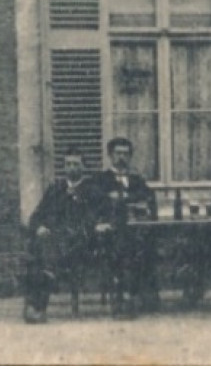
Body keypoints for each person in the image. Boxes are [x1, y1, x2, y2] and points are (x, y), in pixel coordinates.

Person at [21, 149, 105, 323]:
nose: (71, 168)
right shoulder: (55, 189)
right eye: (68, 164)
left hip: (81, 243)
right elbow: (36, 216)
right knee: (43, 252)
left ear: (83, 167)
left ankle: (37, 307)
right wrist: (39, 227)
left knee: (43, 256)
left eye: (75, 164)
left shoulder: (92, 191)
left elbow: (97, 218)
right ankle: (37, 305)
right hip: (53, 241)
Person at [89, 136, 158, 317]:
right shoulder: (100, 180)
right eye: (118, 153)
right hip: (109, 234)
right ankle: (122, 298)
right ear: (110, 156)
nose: (121, 157)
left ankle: (141, 296)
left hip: (134, 233)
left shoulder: (136, 180)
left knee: (147, 246)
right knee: (122, 250)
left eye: (126, 154)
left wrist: (128, 200)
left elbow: (149, 198)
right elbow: (96, 204)